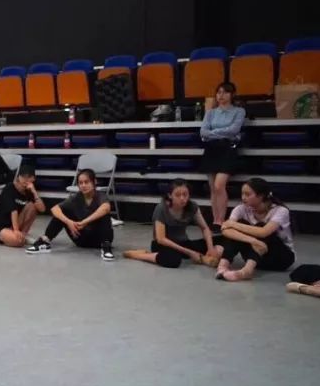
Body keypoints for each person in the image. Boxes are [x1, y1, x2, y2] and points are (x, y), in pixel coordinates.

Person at [124, 179, 222, 268]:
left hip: (183, 242)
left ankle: (204, 256)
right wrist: (189, 252)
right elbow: (161, 239)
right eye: (178, 195)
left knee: (221, 239)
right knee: (173, 260)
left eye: (185, 194)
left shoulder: (192, 206)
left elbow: (204, 228)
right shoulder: (161, 208)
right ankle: (140, 255)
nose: (182, 198)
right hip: (163, 245)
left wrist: (210, 248)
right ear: (170, 195)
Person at [216, 178, 295, 282]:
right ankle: (222, 266)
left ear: (261, 196)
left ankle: (247, 271)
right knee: (240, 226)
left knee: (260, 226)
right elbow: (225, 230)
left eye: (248, 194)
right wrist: (252, 240)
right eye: (242, 194)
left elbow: (264, 232)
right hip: (256, 253)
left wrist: (234, 224)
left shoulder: (281, 210)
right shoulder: (240, 208)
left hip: (280, 258)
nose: (243, 197)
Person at [26, 168, 114, 260]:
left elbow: (106, 208)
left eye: (86, 182)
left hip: (98, 240)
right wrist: (68, 222)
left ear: (94, 182)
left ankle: (106, 247)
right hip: (80, 239)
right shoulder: (76, 197)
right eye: (80, 183)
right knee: (62, 212)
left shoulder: (100, 196)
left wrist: (84, 222)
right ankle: (45, 241)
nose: (83, 185)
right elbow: (54, 209)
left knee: (104, 214)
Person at [200, 82, 246, 226]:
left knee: (219, 185)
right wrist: (220, 133)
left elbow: (234, 130)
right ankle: (215, 220)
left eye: (225, 92)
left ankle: (222, 220)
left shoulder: (239, 111)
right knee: (213, 188)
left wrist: (213, 133)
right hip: (211, 149)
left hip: (227, 148)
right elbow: (203, 132)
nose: (221, 95)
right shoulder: (210, 112)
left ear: (232, 95)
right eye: (219, 92)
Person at [0, 165, 45, 247]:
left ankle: (23, 234)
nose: (25, 180)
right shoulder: (9, 188)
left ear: (33, 179)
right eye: (23, 177)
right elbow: (14, 211)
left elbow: (42, 209)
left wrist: (34, 192)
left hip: (14, 224)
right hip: (1, 228)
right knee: (18, 241)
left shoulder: (29, 191)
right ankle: (18, 237)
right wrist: (16, 230)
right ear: (18, 177)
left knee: (33, 206)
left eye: (28, 177)